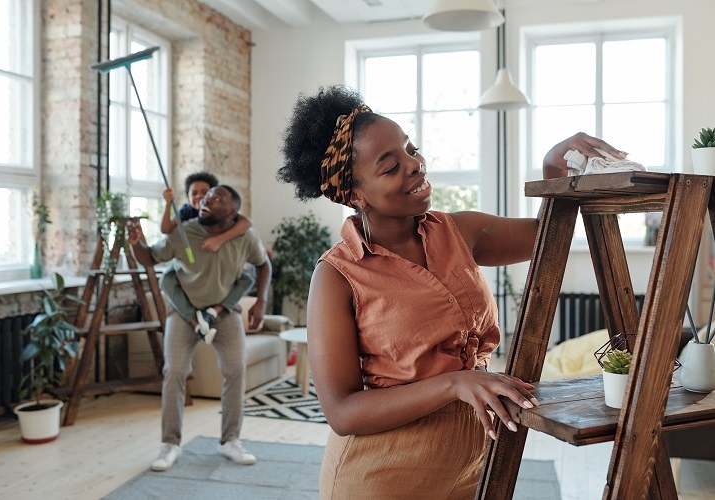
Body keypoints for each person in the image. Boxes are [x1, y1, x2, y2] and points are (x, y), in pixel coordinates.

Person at [276, 85, 628, 498]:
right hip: (380, 476)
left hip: (470, 465)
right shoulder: (337, 275)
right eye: (391, 167)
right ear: (354, 194)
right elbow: (342, 412)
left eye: (412, 149)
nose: (415, 165)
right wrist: (454, 383)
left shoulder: (460, 231)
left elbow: (547, 239)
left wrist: (553, 173)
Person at [128, 185, 272, 471]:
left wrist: (261, 302)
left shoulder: (244, 237)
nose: (206, 200)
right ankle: (170, 444)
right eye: (205, 197)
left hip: (224, 311)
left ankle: (229, 440)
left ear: (231, 212)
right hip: (184, 313)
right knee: (175, 370)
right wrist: (136, 244)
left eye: (216, 198)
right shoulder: (184, 231)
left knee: (235, 368)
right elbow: (150, 257)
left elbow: (263, 264)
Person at [159, 171, 255, 344]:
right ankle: (196, 323)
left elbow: (246, 223)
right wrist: (168, 204)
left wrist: (219, 240)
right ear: (188, 198)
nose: (200, 197)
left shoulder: (223, 215)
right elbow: (165, 228)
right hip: (188, 267)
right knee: (167, 278)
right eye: (193, 193)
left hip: (212, 275)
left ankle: (213, 312)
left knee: (247, 278)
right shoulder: (186, 213)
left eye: (206, 193)